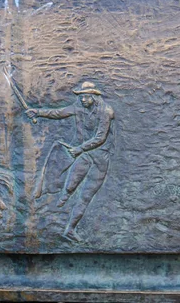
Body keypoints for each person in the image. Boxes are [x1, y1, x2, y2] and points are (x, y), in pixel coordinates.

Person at [26, 81, 114, 242]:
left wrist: (80, 149)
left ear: (94, 97)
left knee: (86, 195)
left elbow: (100, 138)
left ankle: (70, 229)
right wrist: (37, 112)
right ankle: (61, 201)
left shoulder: (105, 112)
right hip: (84, 154)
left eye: (86, 97)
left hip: (99, 157)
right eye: (81, 97)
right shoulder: (77, 108)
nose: (82, 100)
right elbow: (58, 113)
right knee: (71, 183)